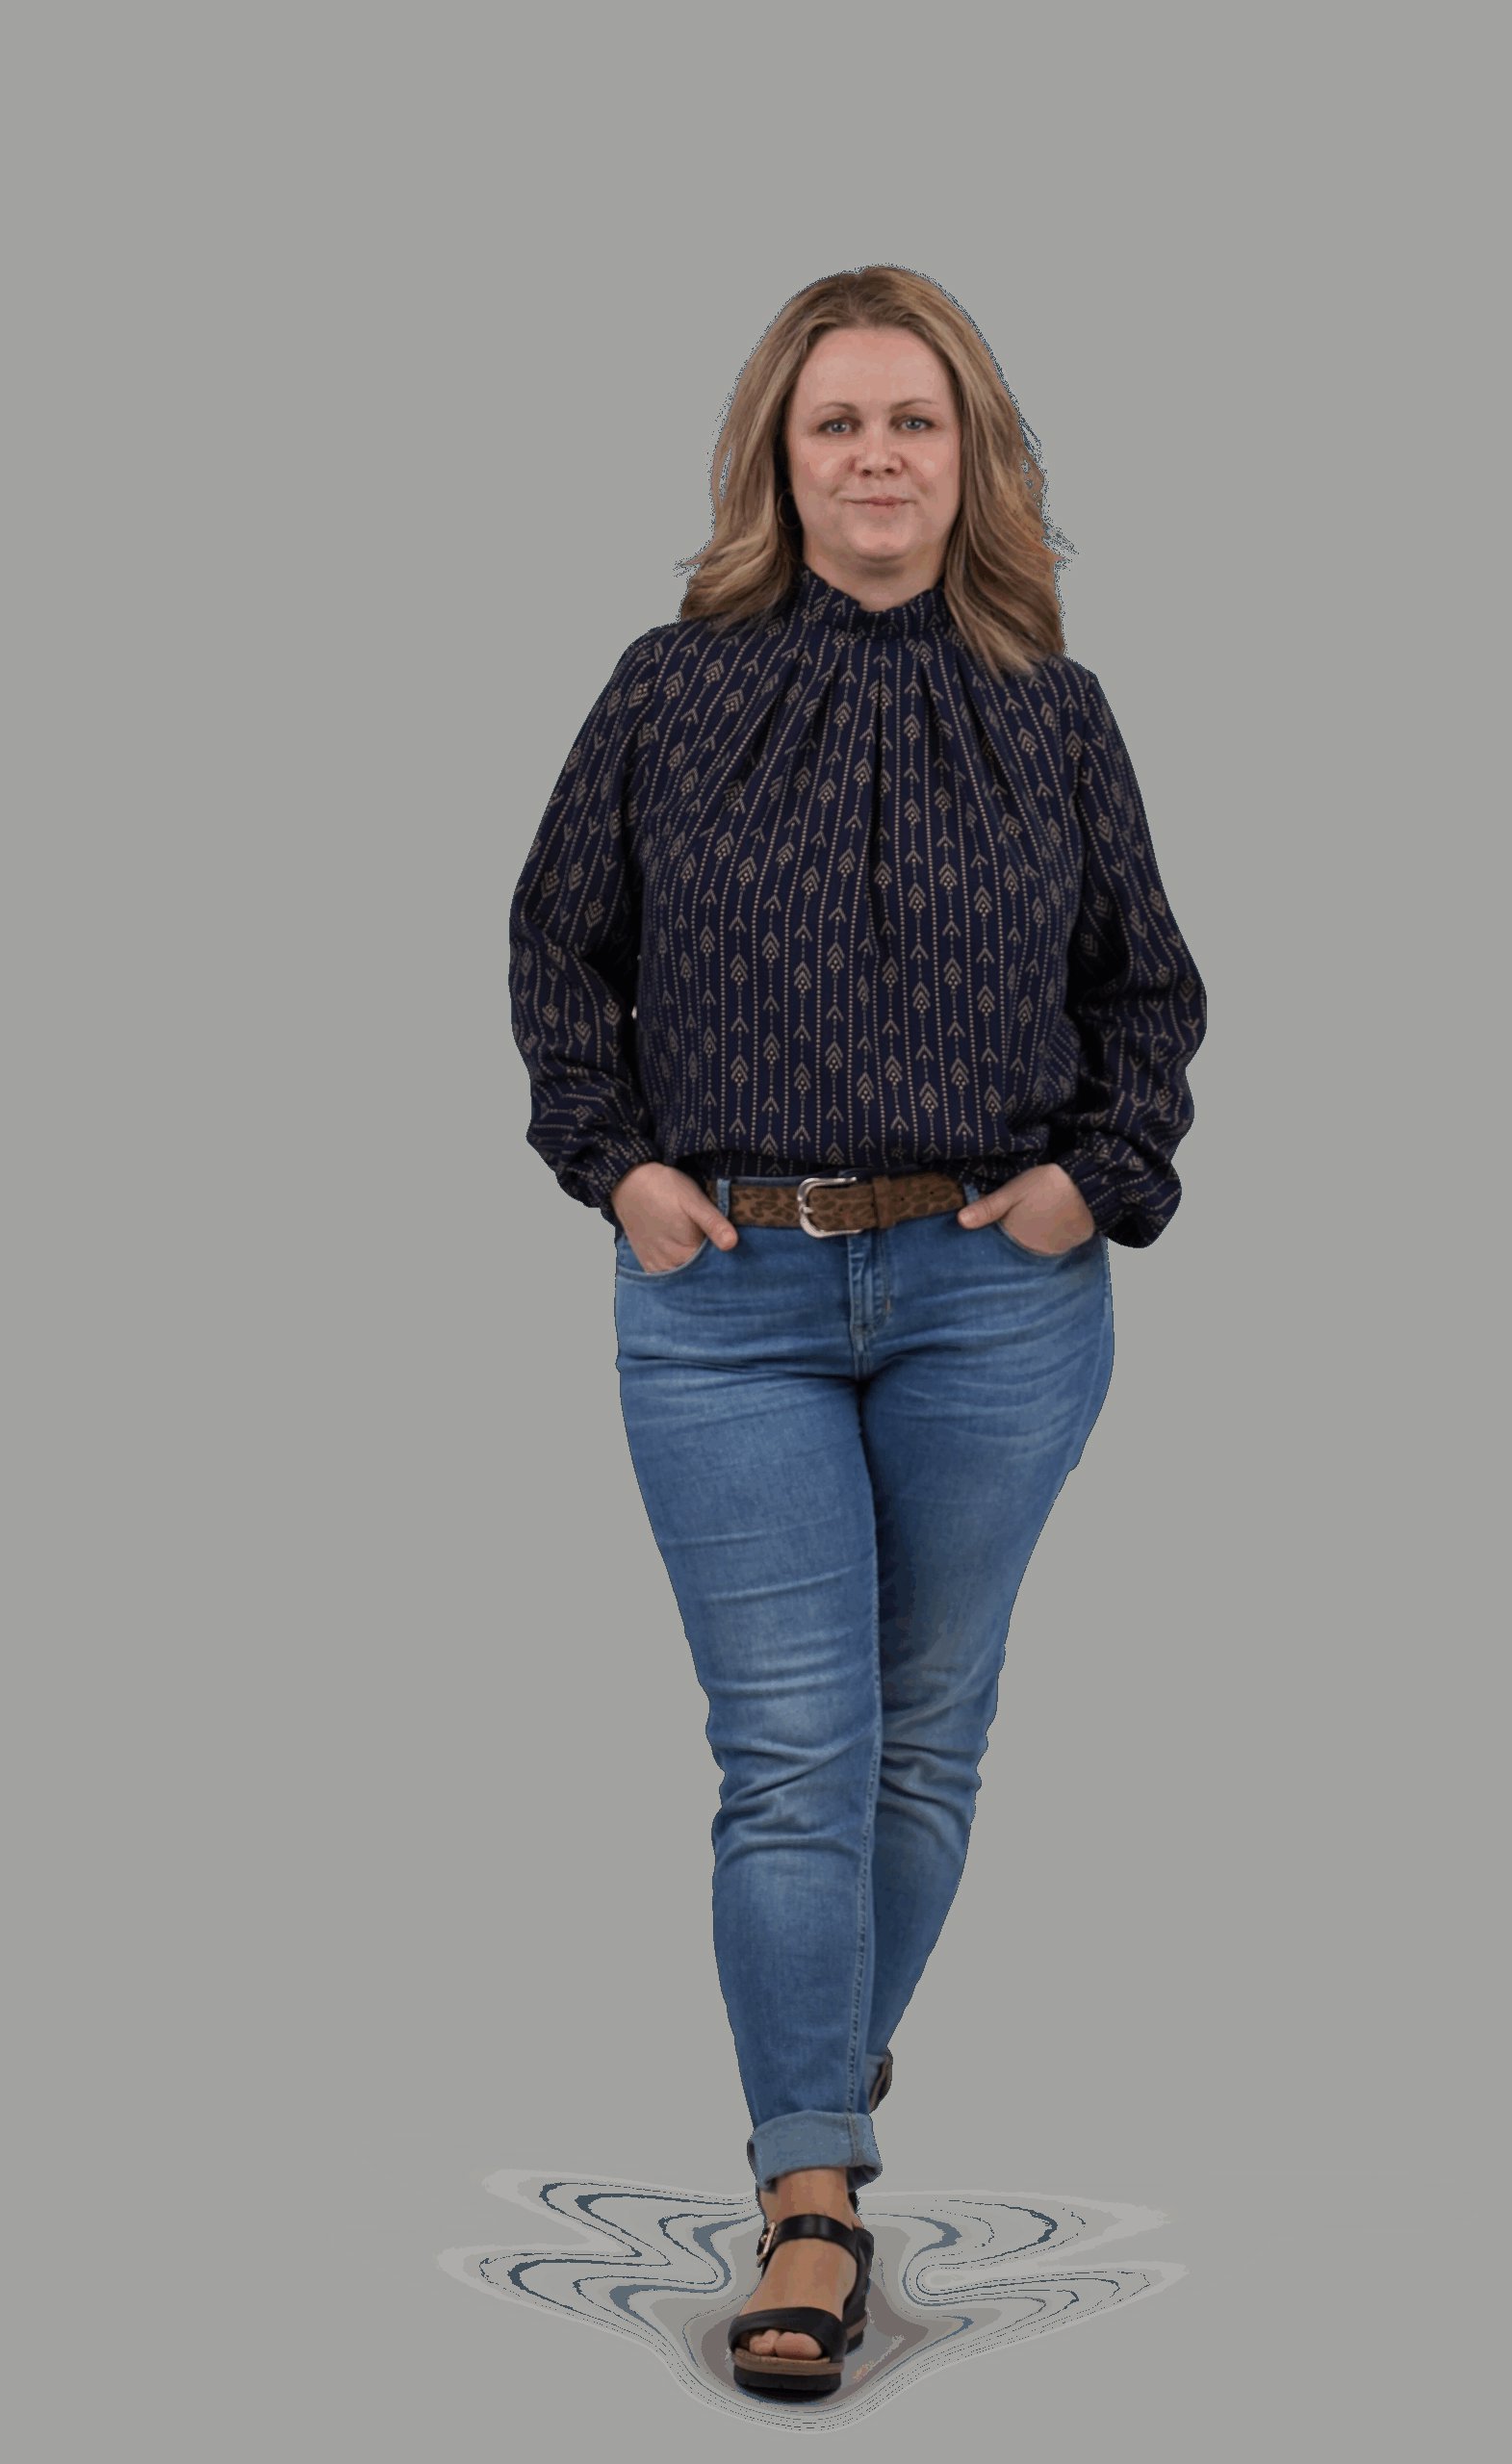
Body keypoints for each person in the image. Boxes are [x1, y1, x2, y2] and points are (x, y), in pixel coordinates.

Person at [506, 265, 1208, 2400]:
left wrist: (1096, 1174)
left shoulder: (1053, 710)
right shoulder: (667, 690)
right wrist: (618, 1164)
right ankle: (809, 2200)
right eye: (839, 423)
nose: (878, 456)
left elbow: (1147, 988)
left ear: (970, 458)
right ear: (778, 460)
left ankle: (814, 2044)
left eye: (916, 420)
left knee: (922, 1736)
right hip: (725, 1299)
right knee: (792, 1752)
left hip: (996, 1300)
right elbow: (556, 945)